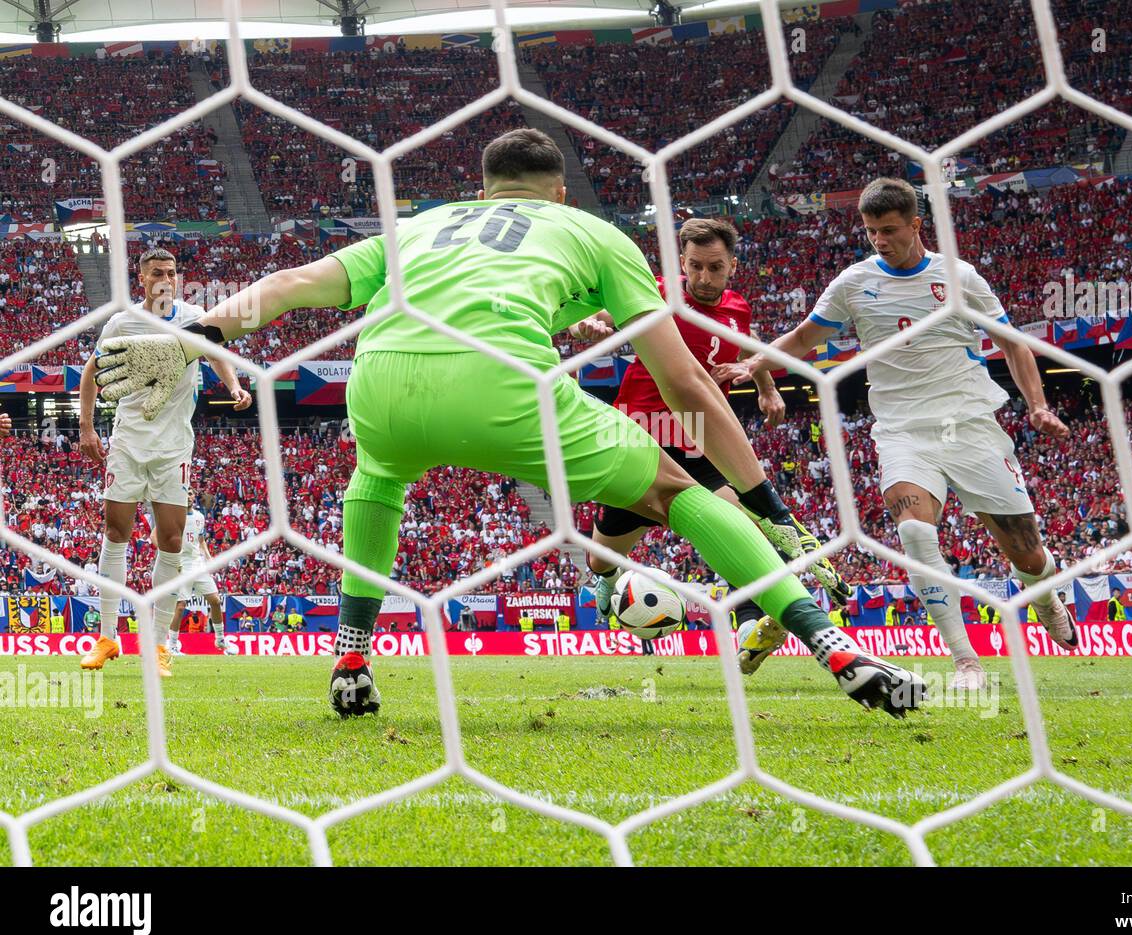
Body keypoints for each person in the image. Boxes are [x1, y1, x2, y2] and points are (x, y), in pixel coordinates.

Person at [95, 128, 925, 720]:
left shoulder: (420, 225)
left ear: (483, 189)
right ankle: (834, 646)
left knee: (375, 479)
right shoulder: (593, 233)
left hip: (382, 387)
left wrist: (207, 332)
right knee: (674, 490)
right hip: (506, 387)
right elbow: (686, 387)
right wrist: (768, 507)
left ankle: (350, 660)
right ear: (559, 193)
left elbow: (299, 281)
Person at [716, 178, 1078, 691]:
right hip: (903, 432)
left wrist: (1037, 405)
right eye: (870, 232)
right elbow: (803, 339)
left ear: (915, 224)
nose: (879, 240)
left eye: (888, 230)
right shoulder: (853, 283)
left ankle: (1043, 596)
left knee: (1026, 552)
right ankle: (965, 661)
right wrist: (754, 363)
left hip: (971, 426)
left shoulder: (960, 278)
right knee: (913, 531)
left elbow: (1013, 345)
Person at [583, 217, 849, 658]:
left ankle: (748, 630)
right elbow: (598, 314)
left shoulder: (737, 309)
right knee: (602, 556)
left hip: (703, 441)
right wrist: (589, 325)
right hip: (644, 439)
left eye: (715, 267)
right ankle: (608, 581)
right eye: (695, 266)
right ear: (681, 263)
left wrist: (765, 388)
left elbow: (745, 348)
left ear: (733, 267)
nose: (704, 278)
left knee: (744, 529)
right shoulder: (655, 291)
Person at [78, 248, 251, 677]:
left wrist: (232, 384)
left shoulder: (194, 316)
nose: (166, 279)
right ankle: (107, 638)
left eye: (172, 273)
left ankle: (156, 647)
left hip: (174, 446)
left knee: (171, 541)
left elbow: (216, 353)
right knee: (116, 532)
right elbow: (91, 372)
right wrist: (86, 427)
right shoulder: (123, 322)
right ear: (142, 279)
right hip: (129, 442)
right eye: (157, 272)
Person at [158, 487, 232, 655]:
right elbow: (159, 538)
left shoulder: (199, 517)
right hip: (181, 564)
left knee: (215, 601)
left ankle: (220, 640)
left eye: (190, 494)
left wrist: (208, 556)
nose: (188, 497)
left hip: (197, 563)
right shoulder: (174, 516)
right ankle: (173, 646)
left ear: (194, 497)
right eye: (185, 494)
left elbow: (201, 540)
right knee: (180, 605)